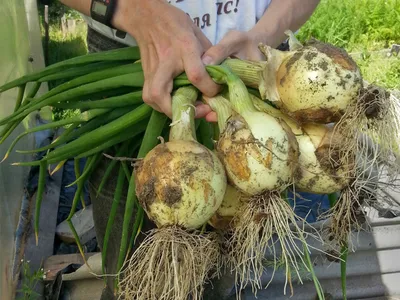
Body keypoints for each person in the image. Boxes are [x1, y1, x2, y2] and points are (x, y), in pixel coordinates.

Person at [56, 1, 322, 299]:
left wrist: (267, 32)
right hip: (130, 56)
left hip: (255, 55)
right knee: (128, 278)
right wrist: (131, 10)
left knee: (217, 277)